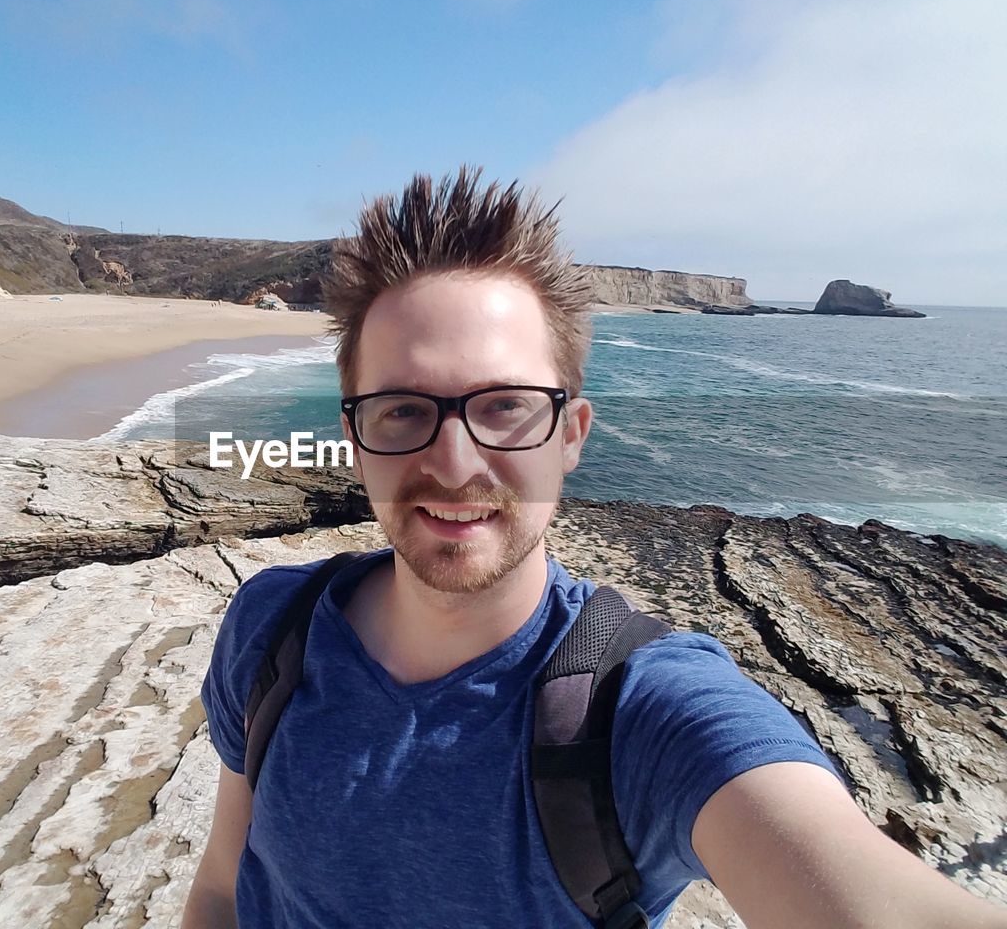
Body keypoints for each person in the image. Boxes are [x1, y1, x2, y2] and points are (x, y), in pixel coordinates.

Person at [184, 168, 1006, 929]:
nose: (454, 461)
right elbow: (225, 882)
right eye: (402, 409)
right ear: (354, 441)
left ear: (571, 435)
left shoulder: (643, 712)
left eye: (505, 406)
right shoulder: (272, 628)